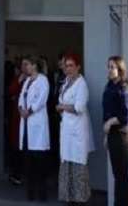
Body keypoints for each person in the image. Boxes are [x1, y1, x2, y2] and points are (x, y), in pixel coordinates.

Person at [55, 53, 94, 205]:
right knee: (67, 162)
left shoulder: (81, 84)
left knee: (77, 163)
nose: (68, 68)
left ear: (78, 67)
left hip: (77, 130)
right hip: (67, 129)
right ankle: (69, 198)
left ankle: (80, 199)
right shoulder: (66, 82)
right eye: (66, 66)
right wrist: (63, 107)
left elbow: (79, 107)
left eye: (71, 65)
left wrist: (62, 107)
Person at [102, 56, 128, 206]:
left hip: (122, 136)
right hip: (112, 135)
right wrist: (106, 135)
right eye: (108, 67)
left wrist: (110, 122)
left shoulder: (124, 88)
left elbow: (125, 116)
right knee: (118, 176)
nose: (109, 70)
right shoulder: (109, 86)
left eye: (113, 67)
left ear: (120, 70)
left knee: (122, 177)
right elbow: (107, 111)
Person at [19, 56, 51, 202]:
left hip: (37, 123)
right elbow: (21, 97)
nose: (26, 67)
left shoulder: (43, 80)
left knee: (39, 162)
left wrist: (29, 110)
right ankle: (30, 193)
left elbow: (41, 99)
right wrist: (21, 109)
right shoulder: (27, 81)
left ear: (34, 66)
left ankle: (42, 193)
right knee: (29, 162)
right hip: (26, 124)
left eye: (28, 65)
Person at [6, 59, 25, 186]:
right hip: (17, 117)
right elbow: (11, 91)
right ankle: (16, 174)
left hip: (28, 116)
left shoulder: (35, 80)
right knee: (16, 145)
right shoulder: (18, 79)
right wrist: (18, 81)